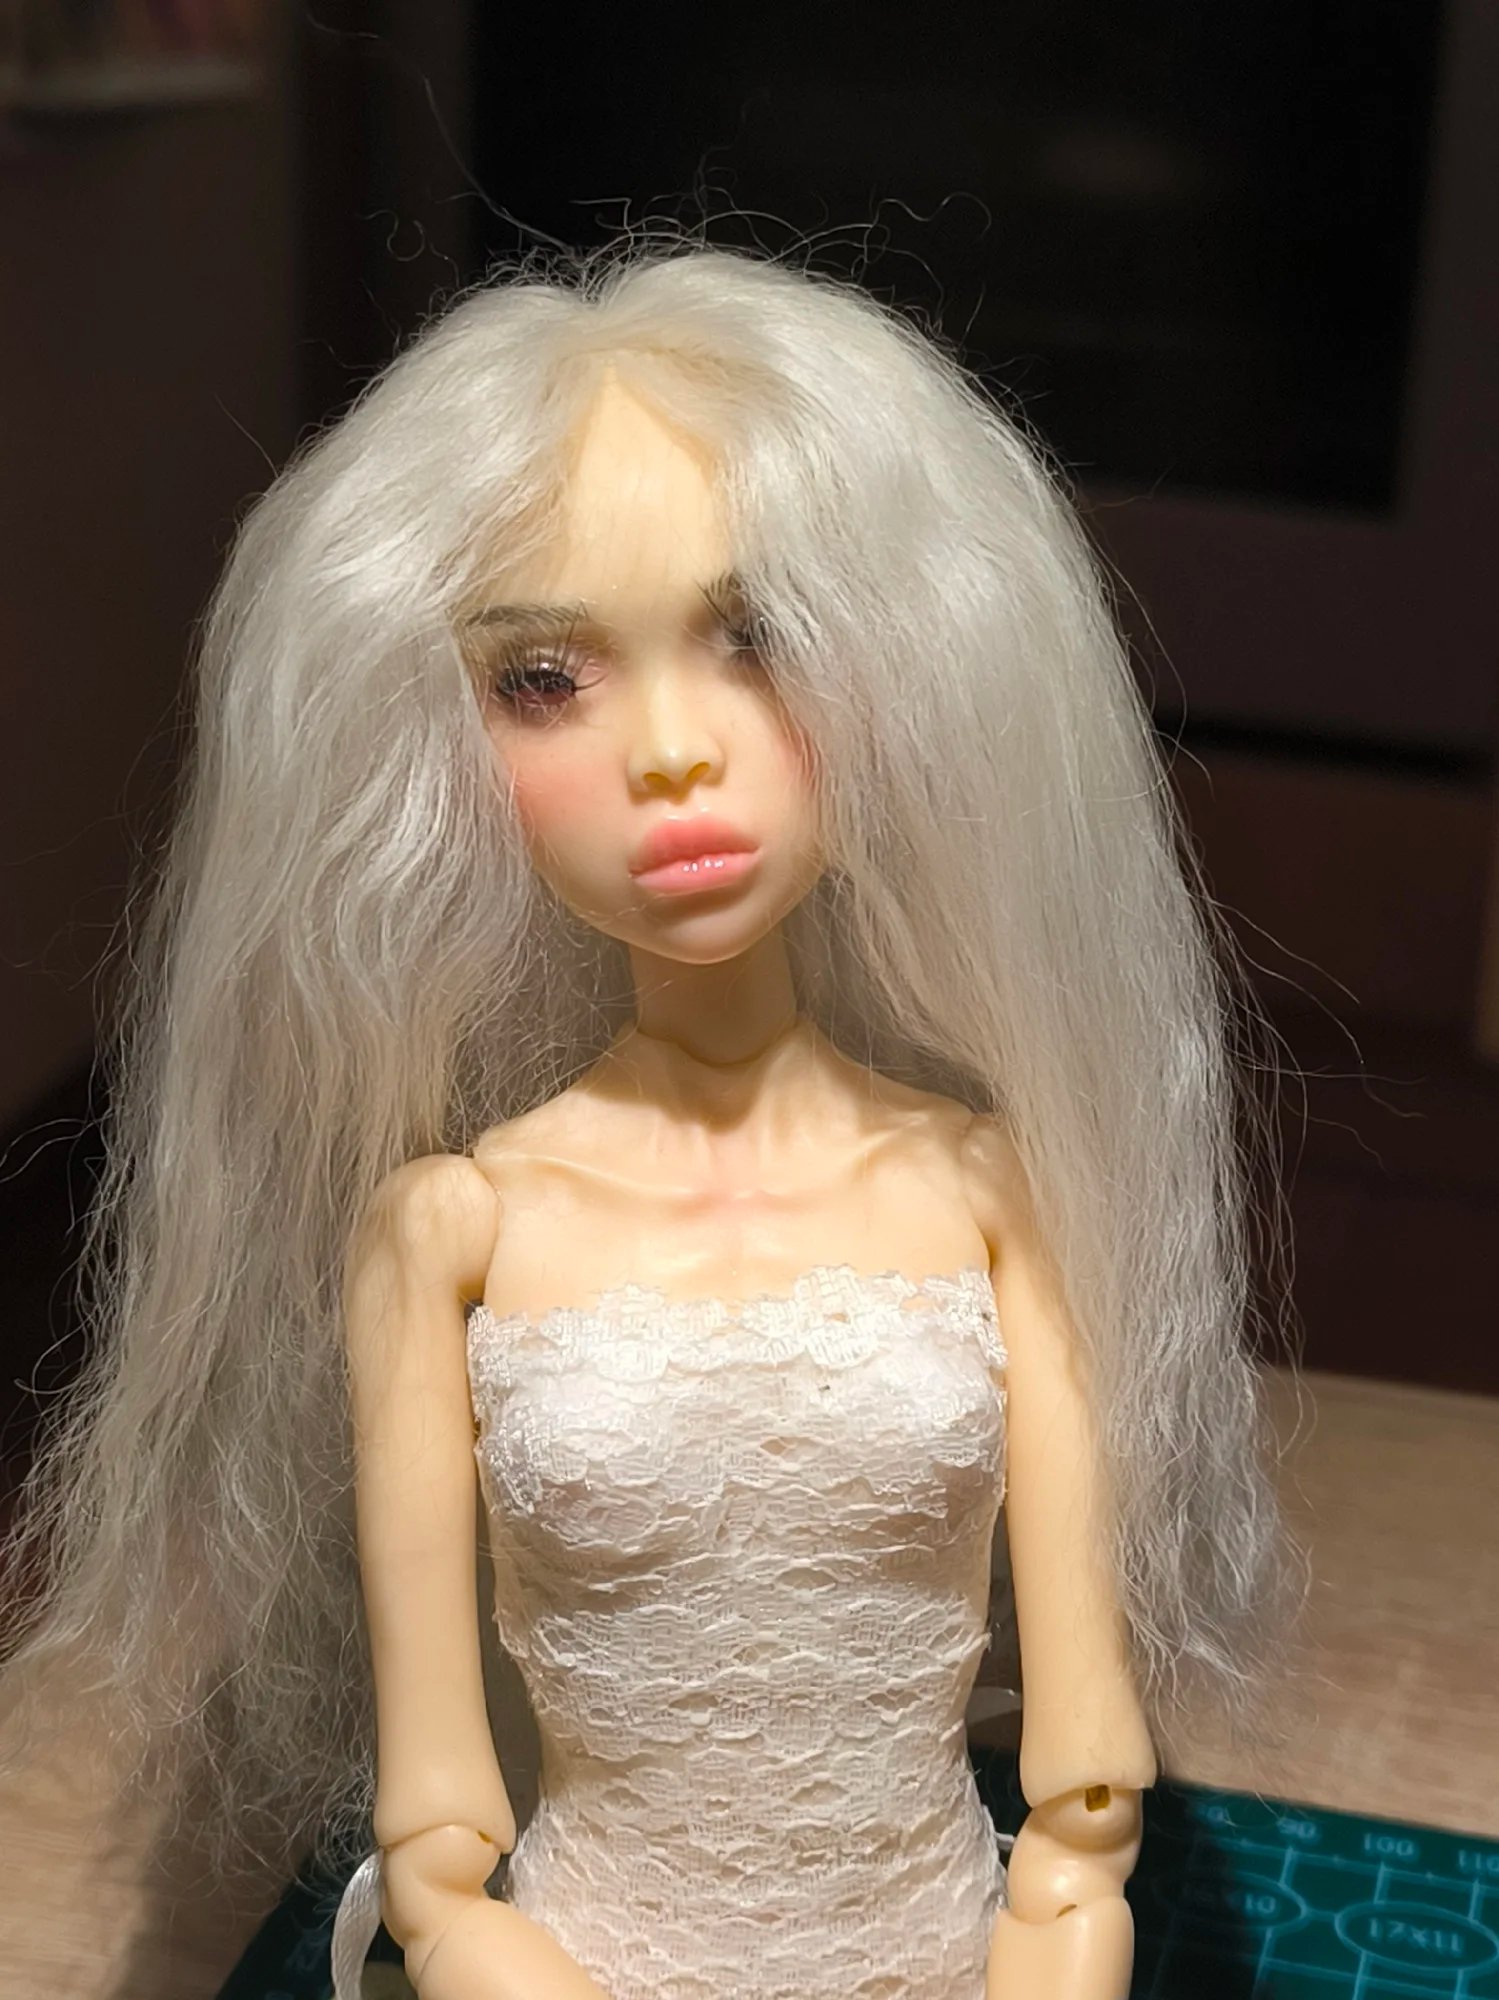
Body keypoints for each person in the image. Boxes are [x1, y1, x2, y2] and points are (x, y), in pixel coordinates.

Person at [2, 244, 1291, 2000]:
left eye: (759, 639)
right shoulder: (449, 1233)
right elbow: (439, 1853)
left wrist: (1054, 1940)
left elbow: (1080, 1804)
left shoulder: (993, 1192)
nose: (671, 751)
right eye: (545, 679)